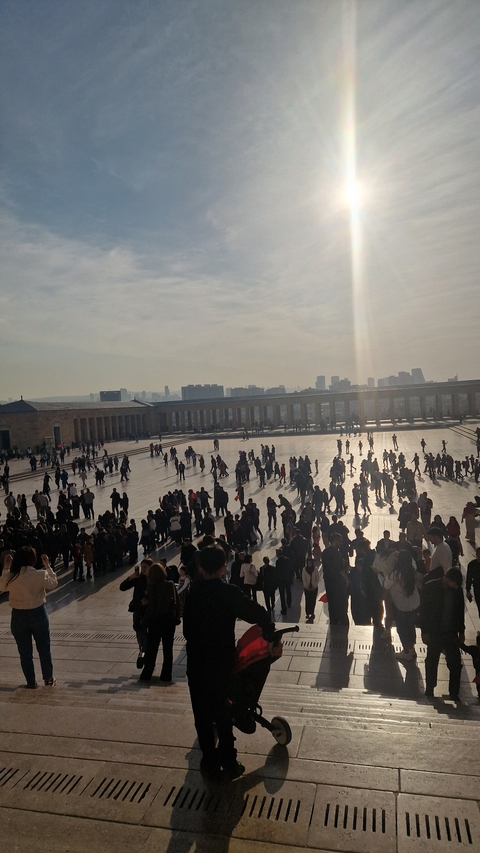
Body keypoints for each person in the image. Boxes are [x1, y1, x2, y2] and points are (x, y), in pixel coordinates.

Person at [183, 545, 274, 779]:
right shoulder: (230, 593)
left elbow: (187, 632)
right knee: (223, 711)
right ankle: (229, 761)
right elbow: (257, 612)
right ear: (224, 567)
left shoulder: (193, 593)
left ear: (201, 568)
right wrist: (269, 629)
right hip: (222, 663)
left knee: (202, 715)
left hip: (196, 663)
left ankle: (209, 762)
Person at [0, 546, 58, 688]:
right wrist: (48, 566)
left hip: (18, 616)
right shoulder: (39, 574)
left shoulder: (12, 577)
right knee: (44, 649)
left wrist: (6, 567)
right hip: (38, 613)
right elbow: (53, 584)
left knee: (25, 652)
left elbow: (1, 586)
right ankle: (48, 679)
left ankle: (31, 682)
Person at [421, 566, 465, 701]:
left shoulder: (457, 591)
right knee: (431, 661)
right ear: (447, 579)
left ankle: (454, 692)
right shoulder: (430, 587)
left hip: (451, 632)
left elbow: (459, 611)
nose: (455, 586)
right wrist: (425, 631)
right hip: (435, 631)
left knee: (455, 664)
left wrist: (461, 631)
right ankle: (429, 688)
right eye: (454, 583)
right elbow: (424, 612)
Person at [139, 562, 180, 683]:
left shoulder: (152, 587)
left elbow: (152, 607)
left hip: (155, 621)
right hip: (169, 621)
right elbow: (177, 603)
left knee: (152, 649)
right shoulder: (170, 585)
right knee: (168, 650)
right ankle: (166, 675)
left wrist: (144, 620)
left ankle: (147, 673)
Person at [384, 550, 420, 661]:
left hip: (401, 606)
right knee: (410, 627)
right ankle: (411, 648)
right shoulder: (412, 570)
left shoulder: (396, 574)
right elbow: (413, 562)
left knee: (402, 629)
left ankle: (407, 652)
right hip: (413, 604)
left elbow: (386, 584)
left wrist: (392, 557)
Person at [119, 558, 151, 669]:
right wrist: (130, 578)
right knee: (140, 635)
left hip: (150, 612)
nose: (143, 569)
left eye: (145, 567)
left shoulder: (154, 579)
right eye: (142, 567)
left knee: (149, 636)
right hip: (138, 611)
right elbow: (122, 587)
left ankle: (145, 656)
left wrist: (148, 599)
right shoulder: (138, 579)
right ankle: (143, 653)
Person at [460, 633, 480, 703]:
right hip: (478, 670)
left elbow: (464, 648)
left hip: (478, 669)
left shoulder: (474, 649)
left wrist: (459, 640)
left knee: (478, 683)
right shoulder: (474, 650)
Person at [302, 557, 320, 623]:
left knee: (313, 600)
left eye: (310, 563)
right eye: (308, 563)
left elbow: (317, 578)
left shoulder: (315, 569)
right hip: (307, 588)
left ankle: (312, 612)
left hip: (314, 588)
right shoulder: (304, 569)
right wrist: (306, 586)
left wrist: (314, 586)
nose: (309, 564)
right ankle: (307, 612)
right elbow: (304, 578)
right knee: (307, 600)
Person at [466, 547, 480, 618]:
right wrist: (468, 590)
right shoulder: (472, 565)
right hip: (477, 588)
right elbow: (469, 578)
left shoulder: (472, 564)